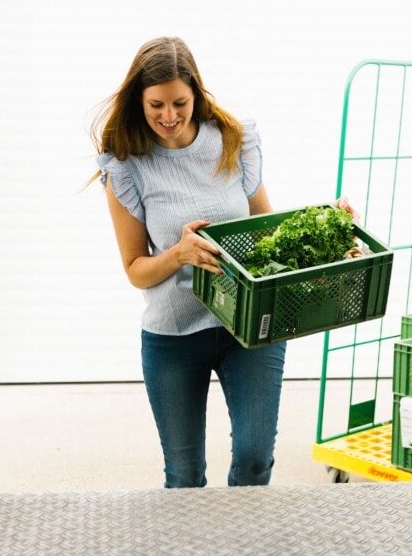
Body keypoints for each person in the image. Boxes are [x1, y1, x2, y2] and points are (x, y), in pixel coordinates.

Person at [89, 36, 287, 488]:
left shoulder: (233, 139)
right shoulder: (127, 164)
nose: (169, 116)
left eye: (180, 102)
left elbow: (269, 229)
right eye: (156, 104)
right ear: (138, 101)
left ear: (196, 93)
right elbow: (135, 267)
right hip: (174, 335)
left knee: (256, 461)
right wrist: (177, 254)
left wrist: (328, 223)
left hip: (249, 328)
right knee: (183, 478)